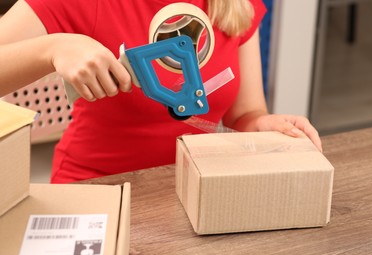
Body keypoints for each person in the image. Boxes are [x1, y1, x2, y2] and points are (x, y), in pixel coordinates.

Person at [0, 0, 322, 183]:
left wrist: (265, 125)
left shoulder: (233, 5)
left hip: (191, 191)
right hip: (95, 189)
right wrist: (53, 49)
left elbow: (245, 113)